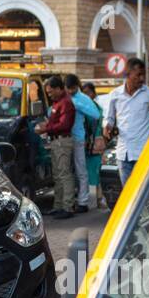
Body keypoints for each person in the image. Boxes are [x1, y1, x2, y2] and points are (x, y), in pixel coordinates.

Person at [103, 57, 149, 187]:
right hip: (123, 154)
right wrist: (107, 127)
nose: (141, 79)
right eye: (138, 75)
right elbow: (109, 119)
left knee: (143, 191)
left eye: (143, 75)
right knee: (128, 192)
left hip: (144, 153)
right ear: (127, 75)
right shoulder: (115, 95)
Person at [34, 74, 76, 219]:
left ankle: (68, 207)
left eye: (51, 92)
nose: (49, 95)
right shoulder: (57, 103)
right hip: (56, 141)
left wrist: (45, 129)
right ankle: (58, 206)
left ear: (59, 89)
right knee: (57, 175)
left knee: (64, 175)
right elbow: (54, 123)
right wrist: (46, 126)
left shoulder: (66, 103)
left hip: (63, 141)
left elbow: (64, 125)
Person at [65, 73, 100, 214]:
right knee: (67, 172)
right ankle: (70, 200)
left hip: (78, 138)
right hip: (65, 138)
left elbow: (96, 114)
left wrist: (76, 105)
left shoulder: (82, 99)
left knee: (81, 170)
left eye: (71, 88)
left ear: (75, 87)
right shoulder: (65, 96)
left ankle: (83, 202)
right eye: (67, 88)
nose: (69, 91)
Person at [80, 82, 108, 209]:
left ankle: (96, 199)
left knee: (93, 171)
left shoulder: (92, 108)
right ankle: (97, 198)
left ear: (93, 93)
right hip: (91, 144)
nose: (86, 96)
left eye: (87, 93)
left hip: (93, 144)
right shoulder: (91, 106)